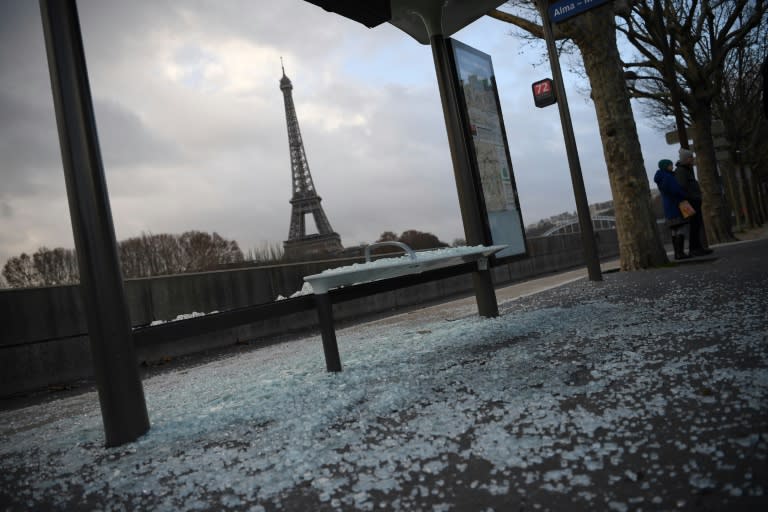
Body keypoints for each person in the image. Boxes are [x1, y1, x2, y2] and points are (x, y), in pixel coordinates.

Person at [675, 148, 713, 256]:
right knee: (694, 226)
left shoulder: (685, 169)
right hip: (689, 202)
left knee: (696, 225)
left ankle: (697, 248)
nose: (693, 159)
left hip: (692, 201)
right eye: (691, 157)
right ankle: (694, 249)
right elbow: (682, 187)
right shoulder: (681, 171)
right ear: (686, 159)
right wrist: (690, 197)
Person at [654, 159, 690, 259]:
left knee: (674, 229)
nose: (672, 167)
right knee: (680, 228)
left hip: (668, 206)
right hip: (676, 204)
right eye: (670, 165)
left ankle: (677, 253)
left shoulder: (660, 178)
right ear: (666, 166)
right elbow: (676, 190)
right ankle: (680, 253)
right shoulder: (668, 177)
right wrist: (685, 195)